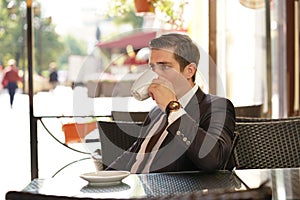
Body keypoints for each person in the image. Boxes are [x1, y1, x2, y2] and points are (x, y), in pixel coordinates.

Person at [106, 33, 236, 173]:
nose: (156, 75)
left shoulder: (216, 107)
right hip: (134, 188)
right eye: (152, 68)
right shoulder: (156, 112)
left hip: (169, 193)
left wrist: (173, 108)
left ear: (189, 71)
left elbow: (214, 159)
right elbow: (132, 157)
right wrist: (100, 179)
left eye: (165, 67)